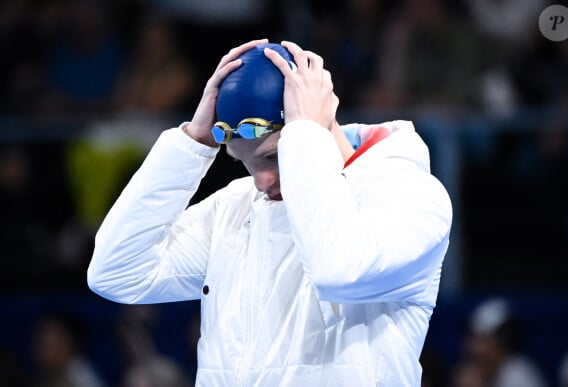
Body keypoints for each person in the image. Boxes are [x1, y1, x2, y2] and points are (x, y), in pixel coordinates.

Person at [87, 39, 453, 386]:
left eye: (273, 156)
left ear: (319, 120)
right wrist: (191, 144)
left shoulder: (410, 195)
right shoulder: (234, 207)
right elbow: (117, 273)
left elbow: (338, 269)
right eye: (243, 162)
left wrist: (305, 133)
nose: (261, 182)